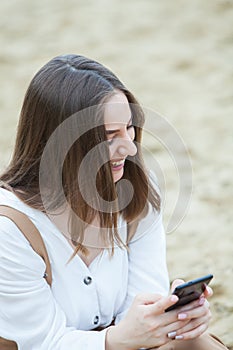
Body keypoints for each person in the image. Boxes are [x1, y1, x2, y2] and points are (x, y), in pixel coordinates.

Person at [0, 54, 227, 350]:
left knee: (193, 341)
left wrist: (170, 318)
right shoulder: (12, 228)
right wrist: (118, 338)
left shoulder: (137, 189)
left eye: (129, 128)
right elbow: (43, 341)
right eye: (110, 136)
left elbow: (142, 303)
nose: (130, 146)